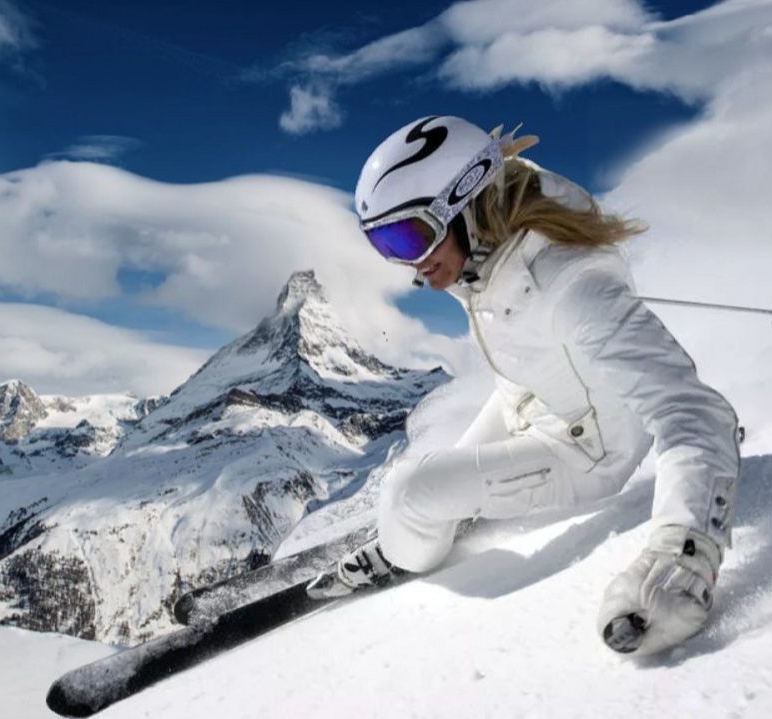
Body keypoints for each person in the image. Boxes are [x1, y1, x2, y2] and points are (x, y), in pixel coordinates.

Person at [306, 116, 741, 656]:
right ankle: (422, 522)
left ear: (465, 200)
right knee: (427, 482)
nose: (410, 266)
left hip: (586, 451)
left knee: (407, 491)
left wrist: (684, 557)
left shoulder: (575, 286)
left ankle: (400, 552)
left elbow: (693, 412)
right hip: (529, 402)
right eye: (384, 244)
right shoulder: (488, 242)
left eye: (409, 236)